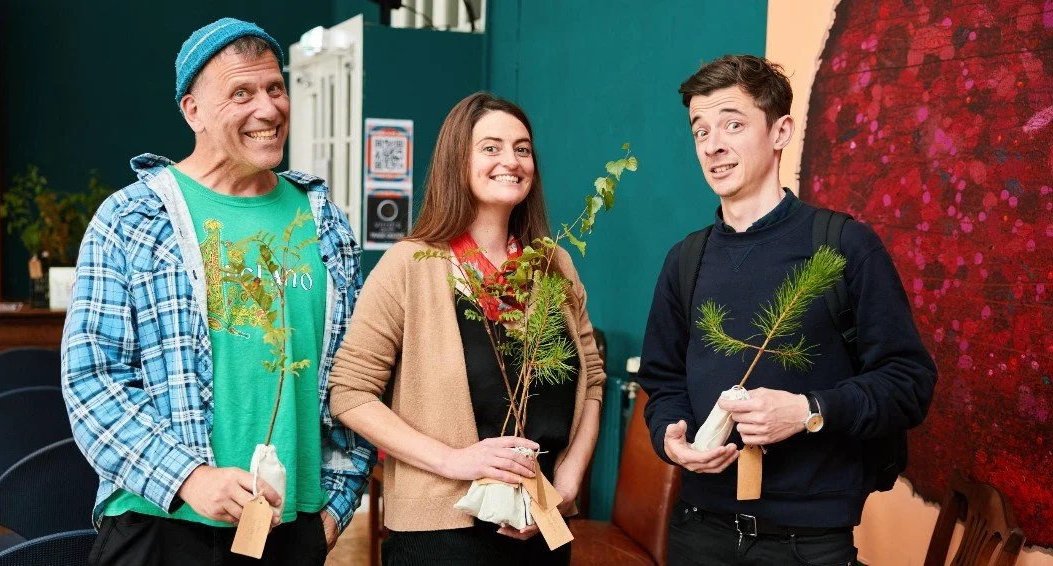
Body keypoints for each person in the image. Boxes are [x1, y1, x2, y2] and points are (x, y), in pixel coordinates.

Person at [61, 17, 375, 565]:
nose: (268, 109)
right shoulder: (133, 219)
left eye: (275, 88)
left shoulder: (323, 223)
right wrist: (188, 477)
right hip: (159, 526)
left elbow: (359, 374)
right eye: (241, 93)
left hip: (289, 530)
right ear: (193, 111)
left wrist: (335, 508)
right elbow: (91, 379)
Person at [637, 55, 937, 565]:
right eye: (700, 130)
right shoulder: (685, 260)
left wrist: (808, 411)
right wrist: (671, 437)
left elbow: (909, 382)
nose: (713, 145)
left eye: (733, 124)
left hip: (809, 545)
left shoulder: (845, 247)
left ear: (781, 132)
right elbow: (663, 383)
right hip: (696, 532)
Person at [329, 92, 604, 565]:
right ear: (458, 161)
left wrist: (566, 486)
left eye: (522, 148)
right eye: (491, 148)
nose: (511, 161)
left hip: (543, 524)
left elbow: (593, 383)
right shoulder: (409, 265)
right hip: (441, 534)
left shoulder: (554, 263)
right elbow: (349, 393)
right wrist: (452, 460)